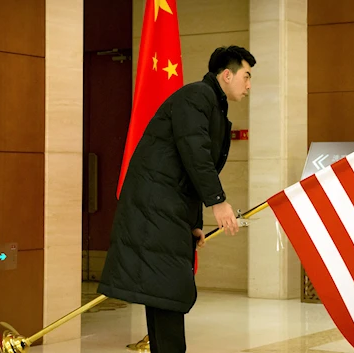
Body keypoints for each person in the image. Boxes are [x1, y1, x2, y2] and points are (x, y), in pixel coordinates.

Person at [97, 45, 257, 353]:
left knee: (163, 291)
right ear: (227, 75)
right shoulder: (197, 97)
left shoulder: (210, 104)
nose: (249, 85)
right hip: (154, 209)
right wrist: (218, 201)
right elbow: (194, 153)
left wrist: (194, 223)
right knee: (169, 289)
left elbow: (185, 171)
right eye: (246, 76)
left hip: (166, 209)